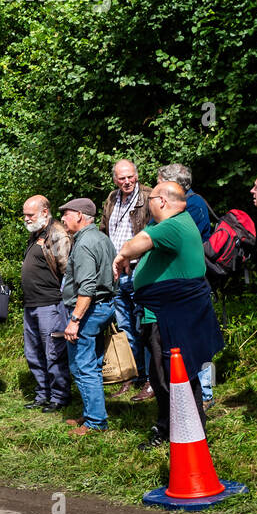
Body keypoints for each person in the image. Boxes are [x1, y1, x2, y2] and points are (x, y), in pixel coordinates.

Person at [117, 181, 224, 450]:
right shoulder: (162, 223)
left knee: (173, 375)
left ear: (162, 201)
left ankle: (181, 430)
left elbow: (134, 245)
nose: (147, 201)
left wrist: (121, 255)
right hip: (158, 314)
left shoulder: (175, 225)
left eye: (150, 197)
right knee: (160, 374)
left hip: (169, 315)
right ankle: (171, 426)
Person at [59, 198, 117, 436]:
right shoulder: (102, 238)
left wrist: (74, 320)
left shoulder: (83, 244)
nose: (62, 218)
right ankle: (92, 411)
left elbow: (87, 288)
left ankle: (95, 421)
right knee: (89, 364)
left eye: (66, 214)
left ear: (80, 216)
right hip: (104, 307)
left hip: (89, 311)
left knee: (83, 367)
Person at [158, 164, 214, 403]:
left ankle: (205, 393)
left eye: (160, 182)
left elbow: (172, 238)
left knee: (197, 337)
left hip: (191, 282)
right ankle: (197, 390)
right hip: (186, 280)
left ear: (175, 186)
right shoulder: (190, 203)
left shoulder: (190, 205)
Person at [100, 159, 152, 399]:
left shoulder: (150, 197)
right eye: (122, 178)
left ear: (137, 175)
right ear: (115, 179)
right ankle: (132, 375)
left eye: (130, 176)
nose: (127, 181)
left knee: (146, 328)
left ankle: (151, 380)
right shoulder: (111, 199)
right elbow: (104, 233)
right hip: (117, 273)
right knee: (125, 327)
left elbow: (154, 234)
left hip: (140, 270)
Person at [20, 195, 72, 411]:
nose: (26, 218)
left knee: (53, 352)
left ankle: (60, 396)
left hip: (50, 305)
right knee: (33, 352)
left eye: (30, 214)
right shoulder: (36, 234)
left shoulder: (57, 234)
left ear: (44, 212)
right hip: (31, 304)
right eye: (24, 215)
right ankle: (43, 393)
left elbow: (68, 271)